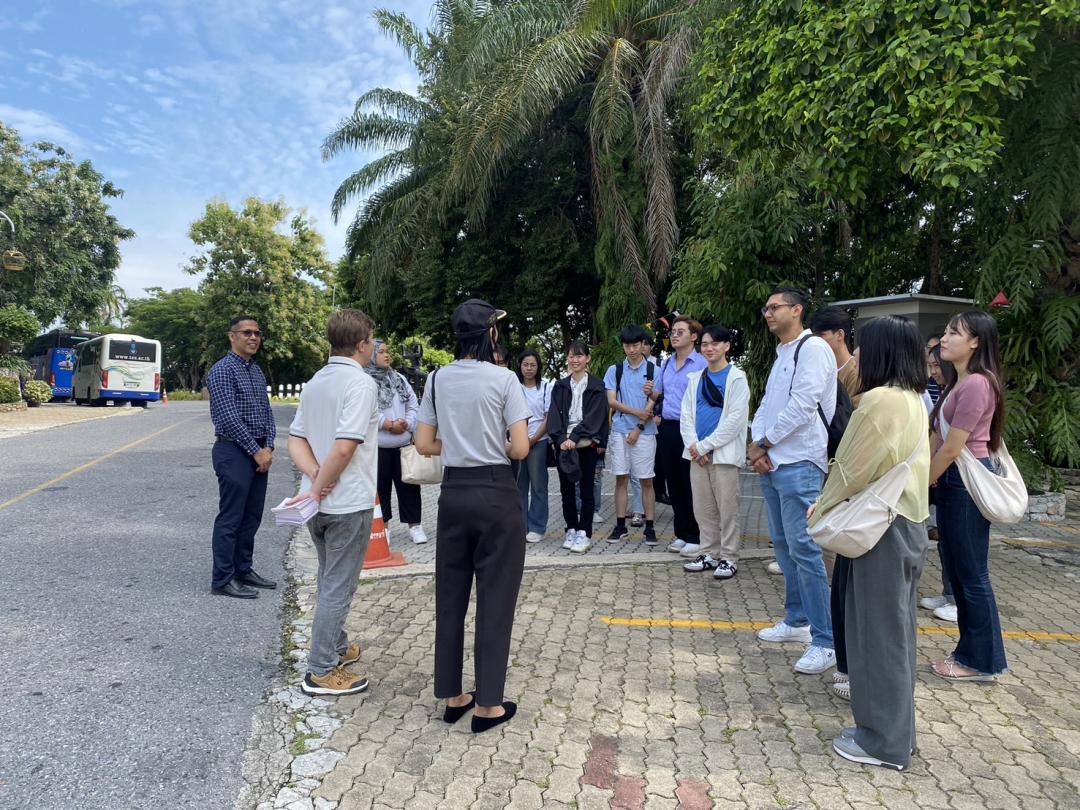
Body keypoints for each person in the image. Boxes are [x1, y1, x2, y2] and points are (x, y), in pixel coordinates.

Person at [808, 315, 930, 772]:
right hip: (907, 524)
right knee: (896, 635)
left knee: (876, 638)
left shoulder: (880, 400)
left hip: (881, 532)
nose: (855, 355)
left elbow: (850, 468)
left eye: (862, 346)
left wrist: (822, 506)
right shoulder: (913, 398)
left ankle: (883, 743)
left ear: (880, 352)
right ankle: (898, 734)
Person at [414, 299, 531, 732]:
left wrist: (461, 445)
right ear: (490, 333)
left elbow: (424, 443)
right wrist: (489, 444)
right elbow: (520, 448)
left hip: (454, 493)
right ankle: (488, 705)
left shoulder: (437, 378)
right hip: (496, 490)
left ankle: (452, 695)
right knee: (495, 599)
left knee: (451, 596)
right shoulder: (504, 378)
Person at [287, 309, 381, 696]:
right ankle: (321, 669)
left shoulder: (315, 382)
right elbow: (345, 447)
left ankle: (337, 646)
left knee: (330, 578)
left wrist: (315, 480)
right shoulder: (360, 384)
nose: (373, 348)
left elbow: (296, 439)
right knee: (338, 587)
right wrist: (321, 485)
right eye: (371, 341)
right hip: (347, 502)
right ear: (360, 345)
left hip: (318, 504)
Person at [747, 287, 837, 675]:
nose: (768, 313)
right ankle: (797, 620)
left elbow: (803, 405)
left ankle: (826, 640)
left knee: (805, 549)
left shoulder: (813, 349)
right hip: (773, 461)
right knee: (784, 545)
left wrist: (764, 442)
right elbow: (767, 405)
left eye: (775, 307)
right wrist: (758, 446)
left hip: (800, 461)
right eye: (766, 308)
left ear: (797, 310)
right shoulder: (783, 352)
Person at [928, 310, 1009, 682]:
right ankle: (972, 655)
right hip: (953, 481)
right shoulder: (959, 381)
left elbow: (952, 447)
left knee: (972, 575)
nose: (944, 339)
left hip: (963, 482)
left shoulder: (977, 383)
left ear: (976, 342)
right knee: (962, 574)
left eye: (954, 333)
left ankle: (980, 662)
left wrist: (923, 482)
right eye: (946, 331)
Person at [207, 315, 278, 599]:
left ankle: (243, 569)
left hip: (259, 452)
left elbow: (267, 413)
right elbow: (228, 417)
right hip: (234, 451)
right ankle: (223, 578)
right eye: (247, 333)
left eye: (257, 333)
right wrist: (256, 450)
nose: (253, 338)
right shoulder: (222, 371)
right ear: (232, 336)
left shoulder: (256, 371)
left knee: (252, 516)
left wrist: (268, 446)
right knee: (231, 517)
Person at [679, 325, 750, 580]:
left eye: (715, 343)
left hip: (724, 455)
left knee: (728, 508)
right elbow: (686, 415)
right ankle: (708, 552)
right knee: (703, 508)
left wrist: (704, 446)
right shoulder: (695, 379)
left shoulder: (737, 378)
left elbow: (735, 421)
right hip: (697, 456)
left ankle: (729, 557)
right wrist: (695, 446)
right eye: (705, 344)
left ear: (726, 346)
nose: (709, 348)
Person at [651, 316, 708, 556]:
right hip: (667, 428)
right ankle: (681, 533)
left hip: (691, 428)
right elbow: (658, 393)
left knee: (690, 482)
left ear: (694, 336)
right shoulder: (666, 363)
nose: (674, 335)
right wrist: (650, 395)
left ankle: (697, 535)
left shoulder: (702, 363)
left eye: (680, 331)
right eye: (673, 331)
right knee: (673, 482)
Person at [549, 341, 609, 553]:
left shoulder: (596, 385)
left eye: (579, 356)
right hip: (564, 445)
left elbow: (596, 416)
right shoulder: (560, 385)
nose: (575, 360)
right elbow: (553, 416)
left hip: (585, 443)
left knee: (586, 489)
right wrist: (560, 440)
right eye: (571, 356)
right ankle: (571, 529)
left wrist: (574, 437)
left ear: (588, 359)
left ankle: (584, 532)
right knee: (566, 490)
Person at [366, 340, 427, 545]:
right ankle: (383, 527)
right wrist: (388, 424)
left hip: (403, 445)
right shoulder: (365, 381)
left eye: (387, 351)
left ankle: (415, 526)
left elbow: (413, 403)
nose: (387, 355)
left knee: (409, 486)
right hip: (379, 446)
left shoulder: (398, 378)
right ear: (371, 355)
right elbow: (366, 411)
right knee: (381, 488)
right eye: (381, 352)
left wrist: (407, 422)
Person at [604, 326, 659, 544]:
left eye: (636, 345)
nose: (632, 350)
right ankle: (620, 525)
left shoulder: (654, 371)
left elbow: (653, 401)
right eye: (627, 345)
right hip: (619, 431)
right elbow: (612, 401)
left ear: (643, 344)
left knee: (646, 480)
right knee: (621, 478)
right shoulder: (614, 370)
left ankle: (650, 527)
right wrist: (637, 413)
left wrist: (638, 428)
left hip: (645, 433)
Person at [920, 343, 957, 621]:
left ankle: (958, 601)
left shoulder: (971, 387)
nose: (933, 372)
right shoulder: (946, 392)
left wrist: (929, 475)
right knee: (946, 541)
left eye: (936, 365)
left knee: (959, 544)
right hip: (942, 477)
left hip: (957, 477)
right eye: (930, 366)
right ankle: (949, 593)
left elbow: (951, 446)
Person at [517, 350, 552, 543]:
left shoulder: (546, 387)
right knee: (519, 486)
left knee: (539, 485)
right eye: (525, 364)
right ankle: (519, 526)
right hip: (517, 442)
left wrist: (531, 440)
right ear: (520, 366)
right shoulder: (514, 387)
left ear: (538, 367)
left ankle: (537, 527)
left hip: (539, 442)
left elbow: (548, 418)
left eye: (533, 365)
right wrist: (520, 440)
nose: (529, 368)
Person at [810, 306, 860, 405]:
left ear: (840, 335)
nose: (815, 341)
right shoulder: (817, 368)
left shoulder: (855, 371)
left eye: (820, 335)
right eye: (813, 336)